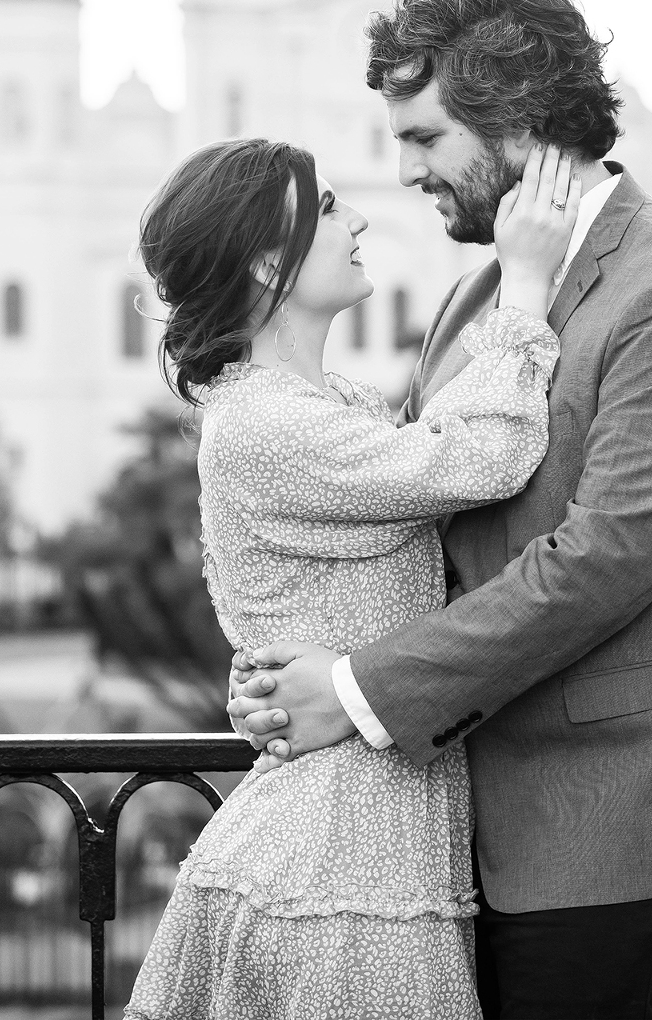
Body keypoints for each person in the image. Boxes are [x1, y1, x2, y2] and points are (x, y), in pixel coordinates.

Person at [230, 0, 652, 1020]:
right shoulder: (484, 293)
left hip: (635, 824)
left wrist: (357, 688)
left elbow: (605, 561)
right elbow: (431, 523)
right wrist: (290, 672)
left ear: (521, 126)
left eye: (423, 138)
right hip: (505, 825)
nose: (402, 172)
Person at [124, 132, 580, 1020]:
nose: (361, 216)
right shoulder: (266, 424)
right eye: (330, 208)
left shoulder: (331, 408)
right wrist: (526, 281)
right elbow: (483, 456)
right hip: (339, 867)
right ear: (267, 263)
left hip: (369, 839)